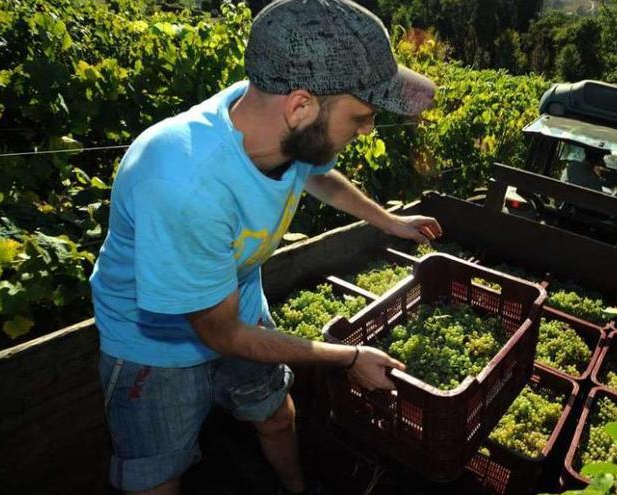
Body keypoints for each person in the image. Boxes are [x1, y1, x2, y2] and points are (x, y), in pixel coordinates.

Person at [89, 0, 442, 493]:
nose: (369, 129)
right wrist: (346, 356)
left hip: (237, 310)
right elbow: (223, 334)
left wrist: (388, 221)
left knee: (276, 416)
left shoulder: (272, 120)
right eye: (361, 115)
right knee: (159, 479)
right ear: (300, 107)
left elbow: (318, 175)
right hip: (154, 348)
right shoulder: (182, 181)